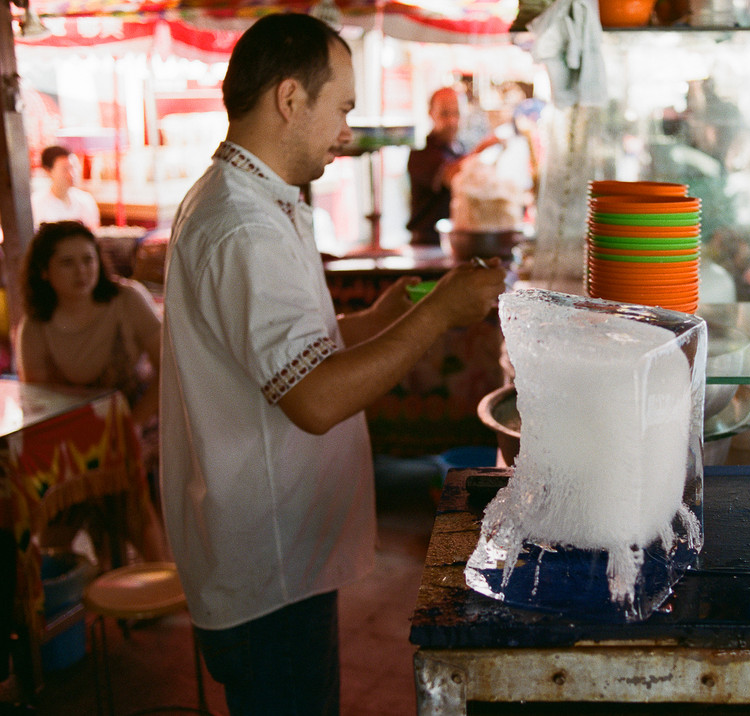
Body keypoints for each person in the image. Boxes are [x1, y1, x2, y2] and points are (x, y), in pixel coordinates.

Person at [159, 14, 505, 715]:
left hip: (280, 552)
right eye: (341, 107)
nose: (346, 132)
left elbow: (284, 355)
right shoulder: (240, 226)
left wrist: (385, 318)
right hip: (267, 567)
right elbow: (313, 400)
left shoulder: (259, 199)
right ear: (291, 99)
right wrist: (437, 314)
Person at [15, 220, 168, 566]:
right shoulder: (35, 327)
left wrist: (134, 421)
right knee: (42, 495)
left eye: (88, 259)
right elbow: (40, 405)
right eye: (66, 263)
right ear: (43, 271)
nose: (82, 271)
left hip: (143, 415)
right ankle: (85, 583)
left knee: (123, 486)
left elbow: (169, 370)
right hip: (74, 435)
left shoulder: (127, 299)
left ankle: (157, 583)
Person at [406, 86, 499, 246]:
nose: (452, 121)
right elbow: (452, 176)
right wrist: (480, 151)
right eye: (444, 114)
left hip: (457, 243)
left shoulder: (460, 149)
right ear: (431, 113)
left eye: (456, 113)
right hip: (428, 244)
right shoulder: (421, 152)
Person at [31, 145, 101, 232]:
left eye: (73, 167)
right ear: (48, 171)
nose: (71, 174)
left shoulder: (86, 200)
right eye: (65, 169)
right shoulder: (35, 204)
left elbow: (94, 235)